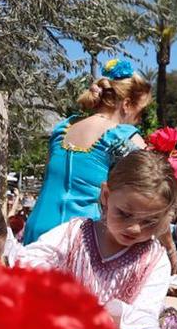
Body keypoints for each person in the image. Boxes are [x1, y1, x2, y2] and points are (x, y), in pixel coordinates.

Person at [18, 141, 177, 329]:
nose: (134, 228)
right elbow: (28, 263)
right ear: (106, 196)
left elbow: (142, 318)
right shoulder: (74, 234)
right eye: (125, 214)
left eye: (149, 221)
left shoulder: (153, 261)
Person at [20, 58, 152, 244]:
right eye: (140, 113)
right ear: (127, 104)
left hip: (37, 230)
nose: (139, 120)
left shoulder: (62, 128)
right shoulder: (124, 137)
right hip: (79, 239)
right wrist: (168, 247)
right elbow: (150, 193)